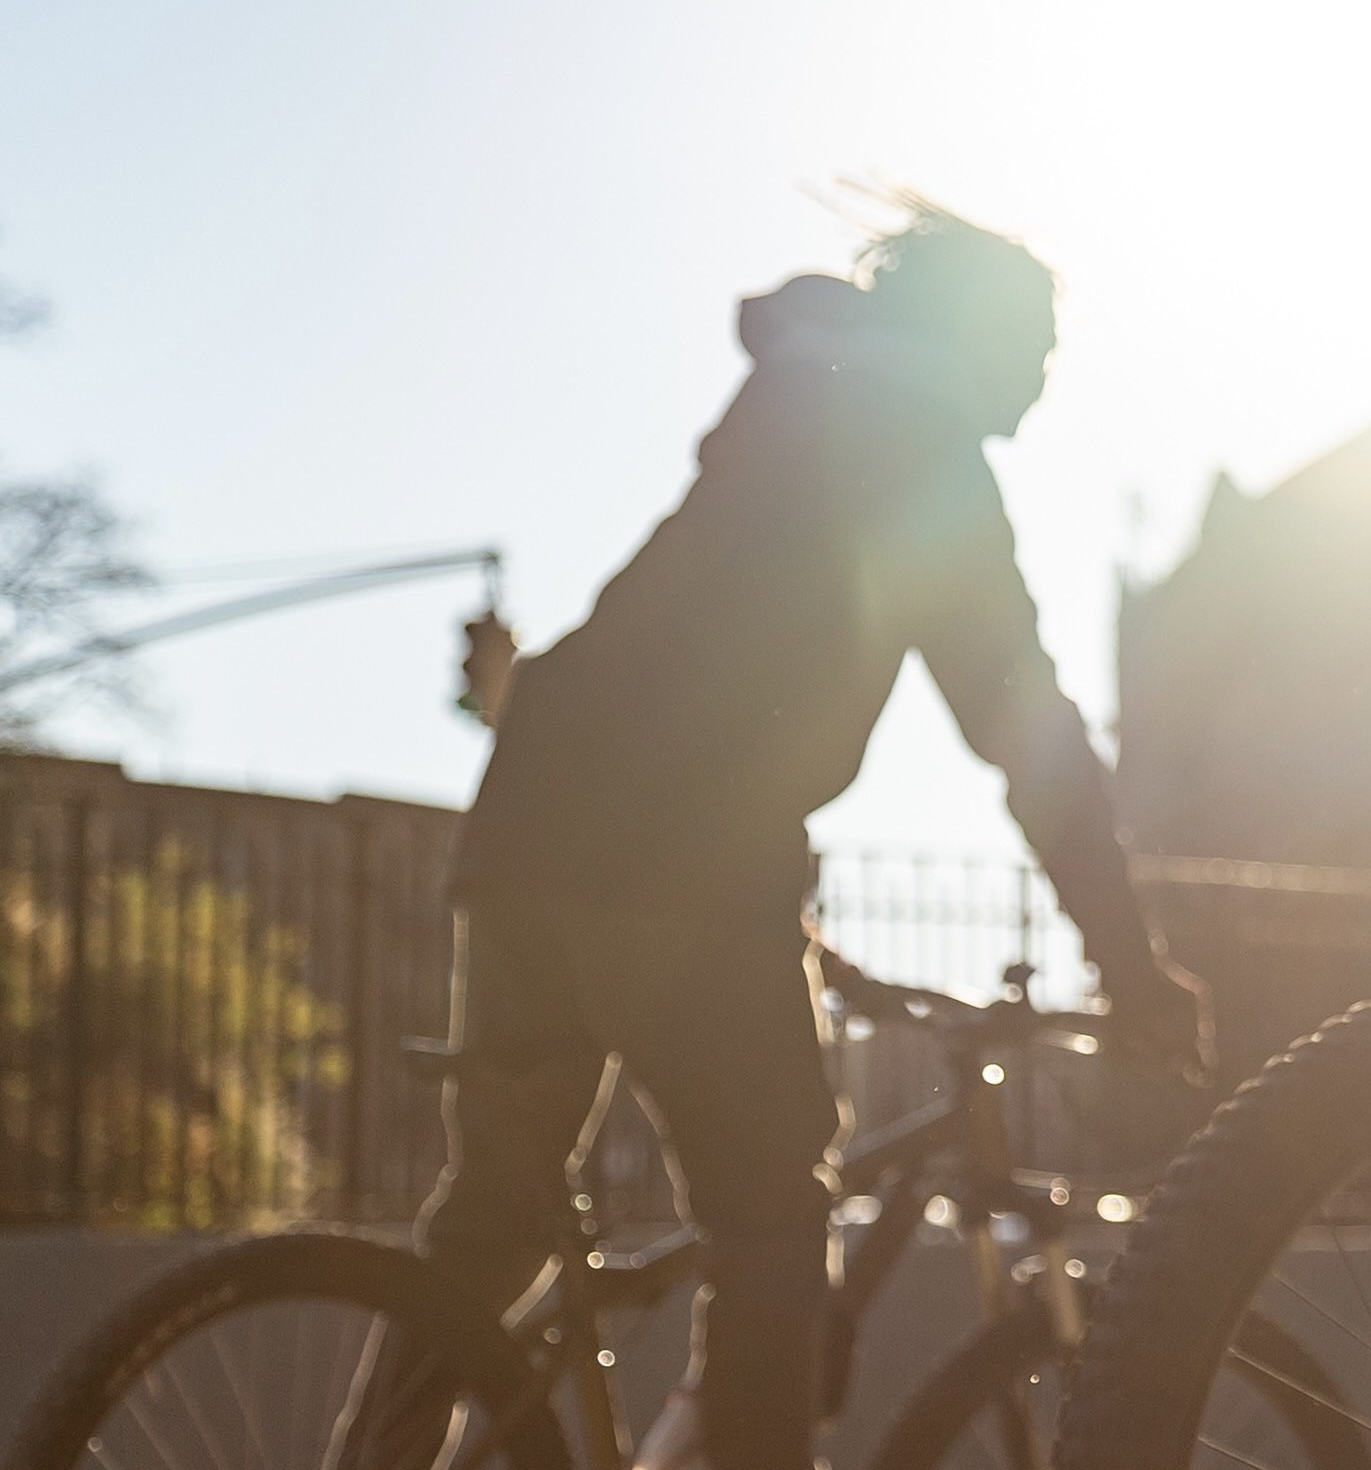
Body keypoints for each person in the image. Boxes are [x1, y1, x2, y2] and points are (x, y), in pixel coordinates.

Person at [420, 204, 1208, 1470]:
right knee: (772, 1230)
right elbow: (1031, 738)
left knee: (488, 1229)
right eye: (1039, 344)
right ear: (979, 335)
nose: (1050, 374)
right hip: (681, 867)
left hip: (526, 836)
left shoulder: (793, 407)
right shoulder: (926, 459)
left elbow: (677, 669)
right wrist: (1130, 964)